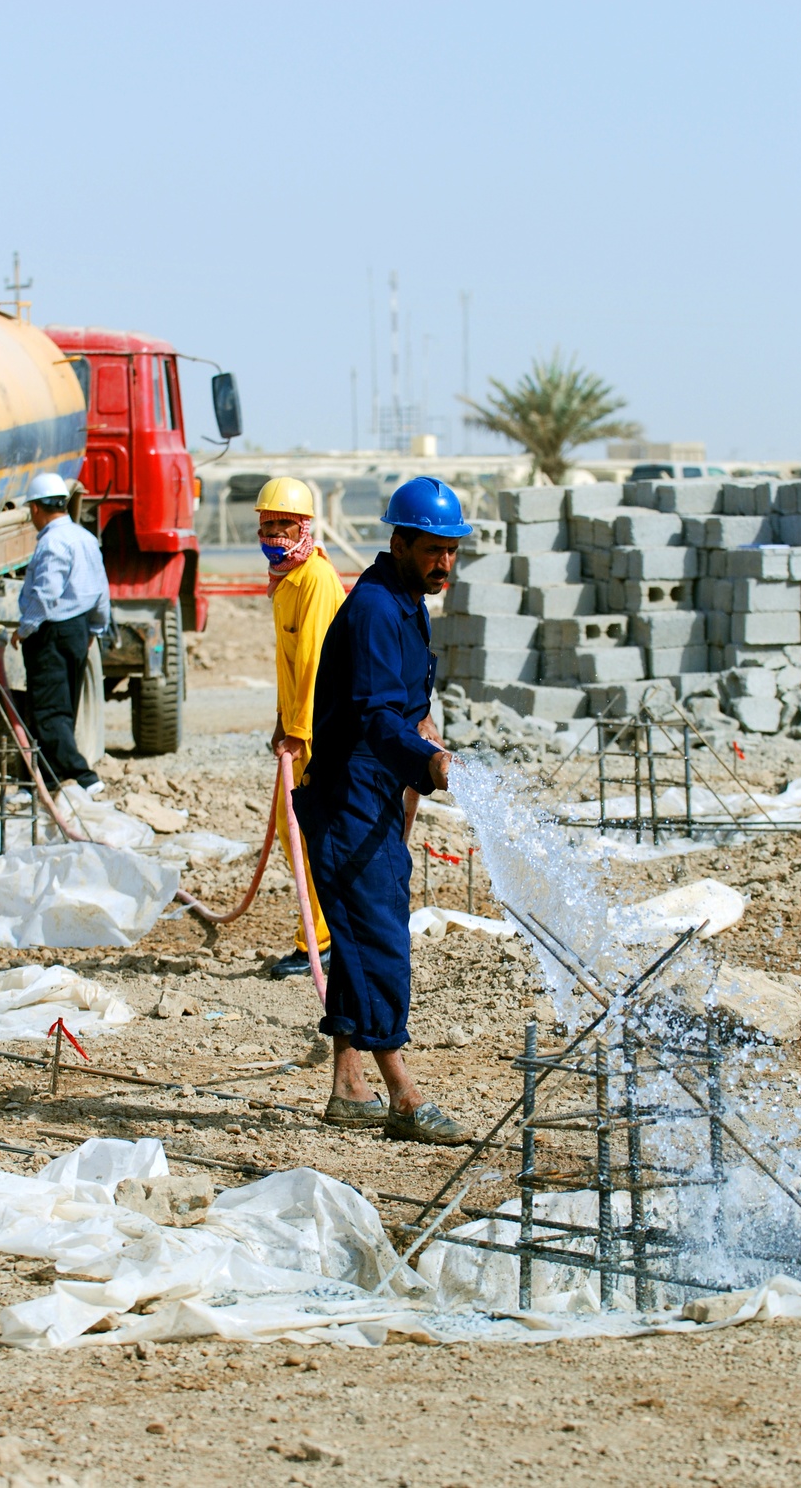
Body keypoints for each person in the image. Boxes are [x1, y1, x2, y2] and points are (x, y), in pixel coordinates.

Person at [293, 476, 473, 1144]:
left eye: (452, 551)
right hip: (348, 794)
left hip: (377, 788)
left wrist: (420, 750)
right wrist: (423, 764)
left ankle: (348, 1086)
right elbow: (373, 715)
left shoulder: (407, 600)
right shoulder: (372, 608)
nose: (444, 563)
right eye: (433, 550)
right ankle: (402, 1093)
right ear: (399, 541)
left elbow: (403, 702)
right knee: (380, 942)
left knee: (365, 932)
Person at [256, 477, 346, 979]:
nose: (272, 532)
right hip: (299, 730)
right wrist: (279, 720)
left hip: (321, 733)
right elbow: (286, 663)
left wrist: (298, 732)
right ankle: (320, 933)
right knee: (295, 838)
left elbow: (313, 663)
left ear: (303, 526)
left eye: (282, 523)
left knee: (307, 835)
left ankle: (322, 940)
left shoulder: (313, 580)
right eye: (266, 523)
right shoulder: (285, 579)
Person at [10, 472, 110, 795]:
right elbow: (100, 590)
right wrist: (95, 627)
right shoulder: (84, 538)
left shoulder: (52, 542)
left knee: (47, 710)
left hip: (51, 632)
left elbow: (45, 593)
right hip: (78, 629)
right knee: (60, 706)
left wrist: (25, 629)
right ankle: (40, 781)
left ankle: (83, 776)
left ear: (37, 509)